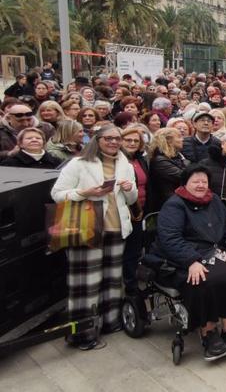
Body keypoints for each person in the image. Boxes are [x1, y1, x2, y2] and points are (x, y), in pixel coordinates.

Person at [50, 125, 138, 350]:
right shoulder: (79, 163)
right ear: (97, 140)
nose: (114, 142)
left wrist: (129, 189)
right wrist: (85, 193)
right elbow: (57, 194)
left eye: (117, 139)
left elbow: (131, 198)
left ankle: (110, 322)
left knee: (112, 280)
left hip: (117, 228)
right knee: (86, 284)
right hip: (87, 228)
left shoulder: (125, 164)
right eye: (108, 138)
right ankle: (83, 334)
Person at [151, 164, 226, 360]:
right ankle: (208, 334)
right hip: (181, 257)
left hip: (212, 252)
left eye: (204, 181)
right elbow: (170, 239)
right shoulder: (175, 204)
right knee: (203, 278)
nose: (201, 185)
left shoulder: (214, 200)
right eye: (195, 181)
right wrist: (191, 261)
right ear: (185, 183)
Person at [120, 125, 149, 296]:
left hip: (140, 210)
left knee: (133, 251)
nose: (131, 143)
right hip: (123, 211)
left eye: (135, 141)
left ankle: (131, 286)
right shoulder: (117, 161)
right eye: (128, 140)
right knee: (123, 252)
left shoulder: (141, 160)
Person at [148, 128, 190, 213]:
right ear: (168, 140)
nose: (182, 139)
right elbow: (184, 176)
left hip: (178, 201)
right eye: (178, 137)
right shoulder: (160, 160)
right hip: (168, 204)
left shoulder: (177, 157)